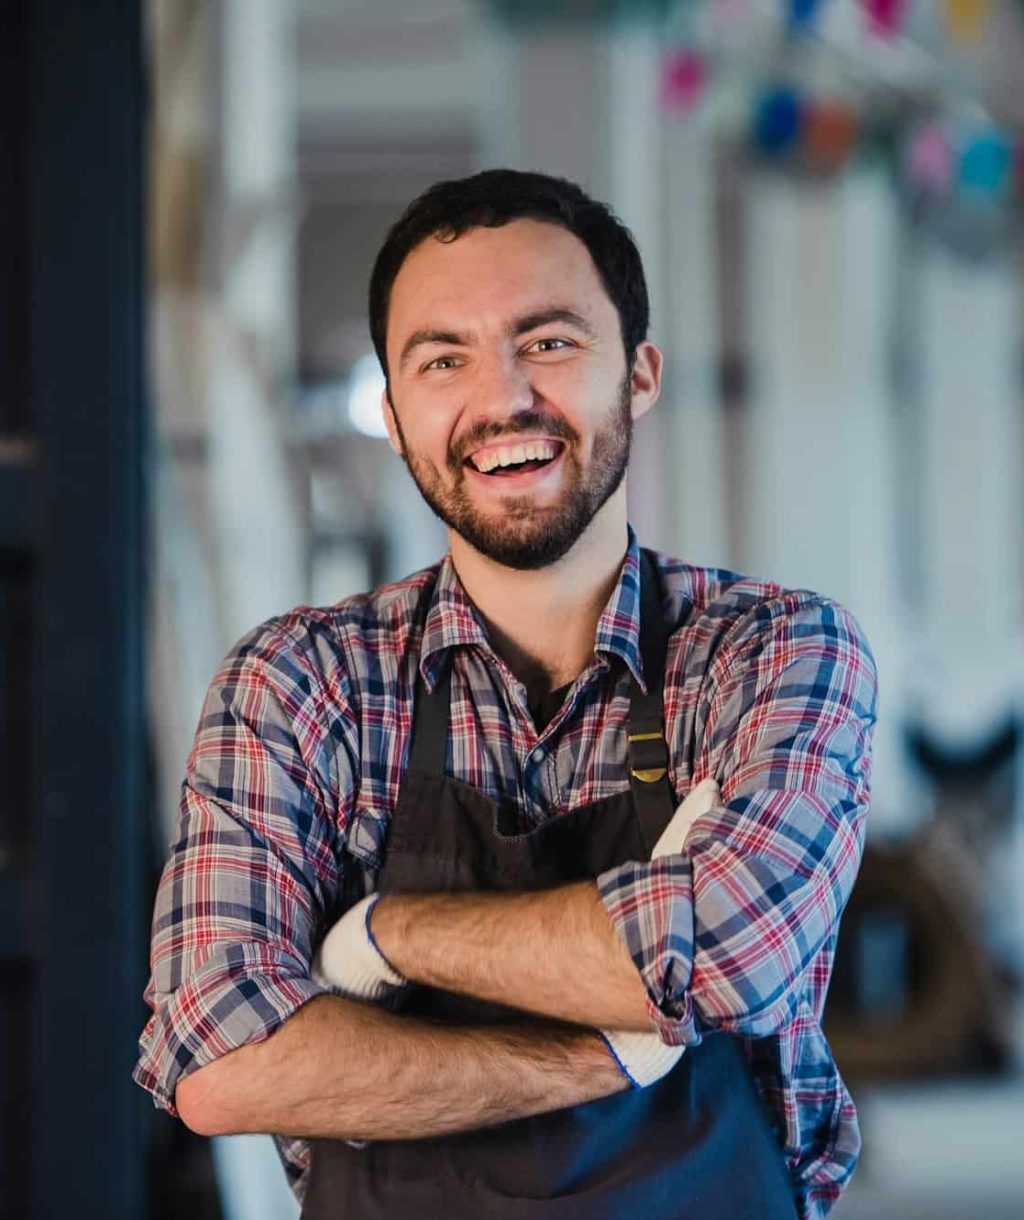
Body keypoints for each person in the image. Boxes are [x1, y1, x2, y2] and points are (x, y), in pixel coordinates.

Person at [135, 169, 877, 1220]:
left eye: (550, 342)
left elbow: (731, 947)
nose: (502, 399)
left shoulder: (770, 653)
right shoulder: (300, 683)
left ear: (641, 373)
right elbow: (219, 1054)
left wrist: (381, 936)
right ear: (393, 414)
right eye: (444, 359)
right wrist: (609, 1052)